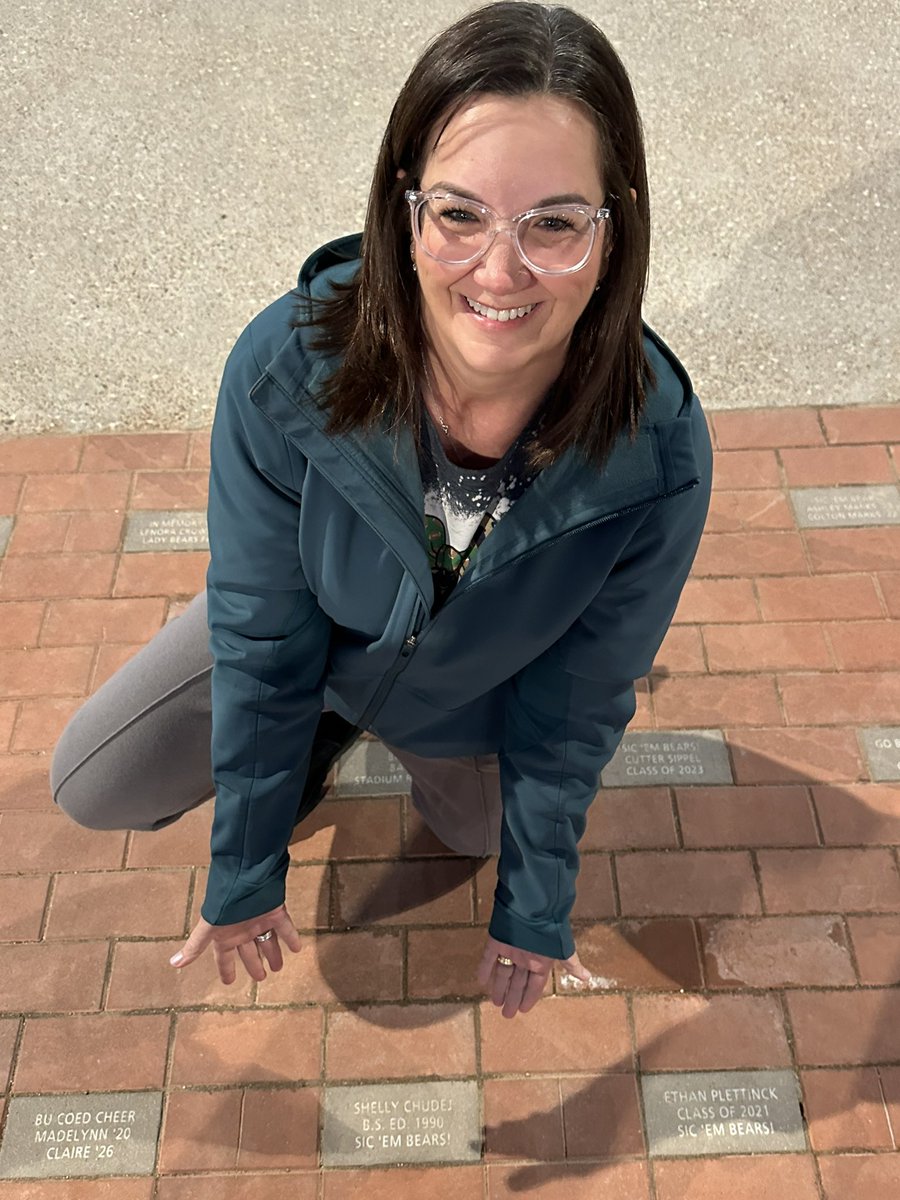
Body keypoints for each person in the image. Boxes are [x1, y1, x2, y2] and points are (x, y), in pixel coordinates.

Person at [51, 1, 712, 1021]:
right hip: (307, 620)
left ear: (612, 230)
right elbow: (266, 637)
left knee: (481, 842)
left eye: (554, 222)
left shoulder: (660, 457)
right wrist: (244, 869)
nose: (500, 271)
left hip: (472, 698)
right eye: (459, 214)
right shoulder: (286, 365)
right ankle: (322, 727)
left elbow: (574, 705)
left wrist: (534, 906)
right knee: (96, 781)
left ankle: (378, 733)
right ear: (402, 213)